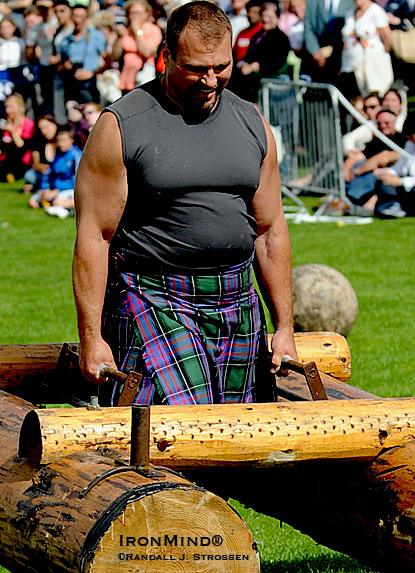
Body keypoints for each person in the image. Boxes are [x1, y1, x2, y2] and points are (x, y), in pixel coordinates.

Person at [73, 0, 297, 407]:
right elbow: (95, 236)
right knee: (176, 429)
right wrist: (92, 337)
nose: (210, 81)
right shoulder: (122, 126)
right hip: (155, 297)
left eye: (221, 67)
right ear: (166, 57)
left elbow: (269, 230)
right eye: (195, 69)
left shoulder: (252, 123)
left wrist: (285, 327)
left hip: (236, 297)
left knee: (239, 434)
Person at [345, 107, 407, 213]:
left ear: (395, 121)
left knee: (373, 172)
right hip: (373, 174)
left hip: (392, 175)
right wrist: (346, 170)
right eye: (379, 123)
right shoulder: (376, 141)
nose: (383, 126)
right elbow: (359, 156)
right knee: (358, 165)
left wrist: (358, 170)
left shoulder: (402, 140)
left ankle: (350, 201)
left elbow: (384, 157)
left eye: (386, 123)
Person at [28, 125, 82, 217]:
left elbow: (78, 179)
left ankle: (68, 209)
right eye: (59, 141)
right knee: (33, 202)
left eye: (64, 140)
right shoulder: (57, 156)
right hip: (54, 190)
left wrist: (57, 191)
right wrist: (45, 189)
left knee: (58, 201)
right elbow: (48, 175)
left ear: (71, 140)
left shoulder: (76, 155)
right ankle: (57, 207)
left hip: (69, 189)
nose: (61, 143)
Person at [111, 0, 162, 93]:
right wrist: (119, 38)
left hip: (143, 75)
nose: (135, 16)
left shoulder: (153, 29)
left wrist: (137, 31)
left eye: (138, 13)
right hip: (123, 75)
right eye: (132, 13)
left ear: (146, 14)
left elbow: (147, 52)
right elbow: (114, 56)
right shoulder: (124, 30)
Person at [373, 112, 415, 218]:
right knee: (385, 180)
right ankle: (391, 207)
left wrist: (400, 181)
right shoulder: (410, 144)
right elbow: (399, 168)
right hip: (407, 187)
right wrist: (387, 172)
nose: (410, 139)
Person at [0, 92, 34, 182]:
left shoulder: (28, 124)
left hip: (21, 164)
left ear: (21, 108)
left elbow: (22, 147)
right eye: (6, 107)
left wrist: (12, 132)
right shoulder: (5, 124)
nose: (8, 110)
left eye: (11, 107)